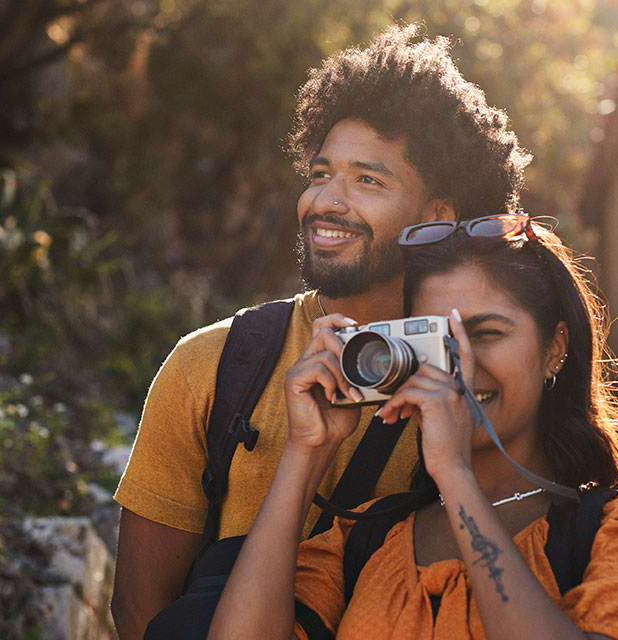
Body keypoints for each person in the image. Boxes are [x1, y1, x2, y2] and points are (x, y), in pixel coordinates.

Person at [110, 25, 532, 639]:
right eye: (319, 173)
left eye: (368, 180)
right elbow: (141, 610)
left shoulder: (483, 380)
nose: (324, 201)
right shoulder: (212, 364)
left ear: (437, 216)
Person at [207, 216, 618, 639]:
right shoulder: (364, 538)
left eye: (485, 334)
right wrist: (307, 449)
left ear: (554, 349)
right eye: (436, 341)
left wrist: (455, 473)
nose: (458, 367)